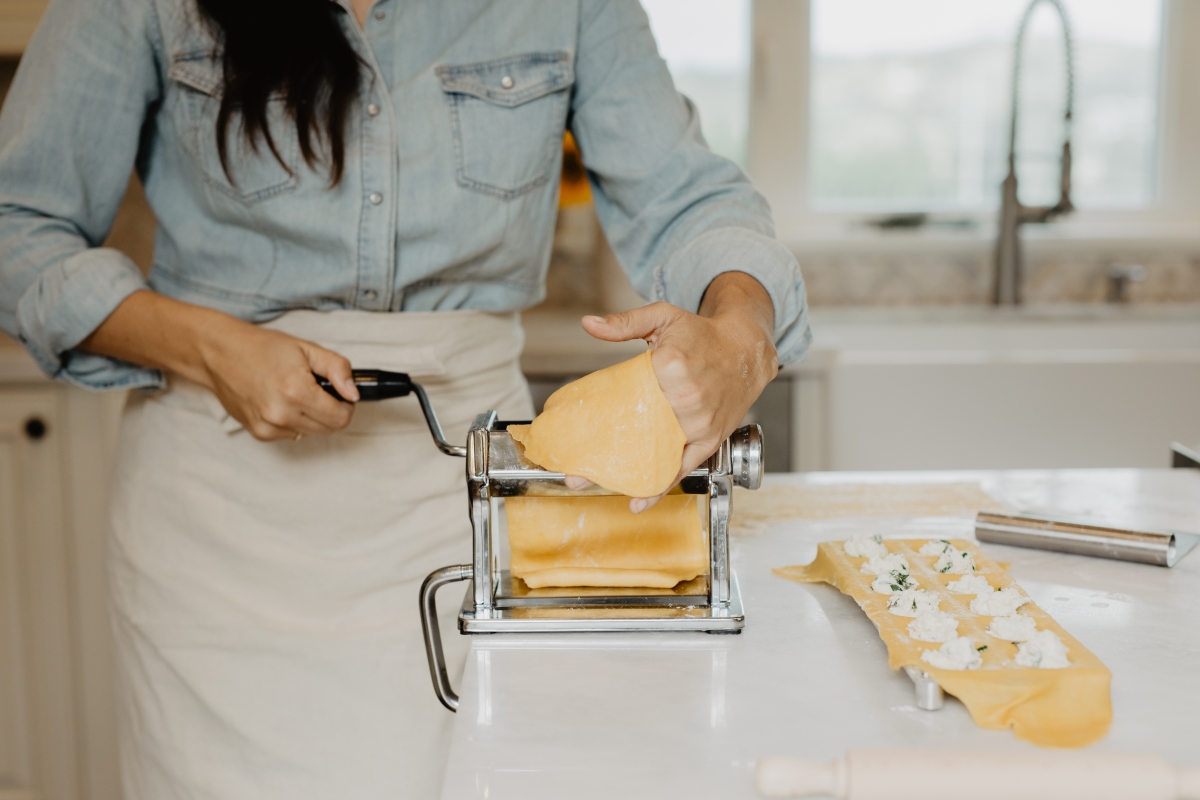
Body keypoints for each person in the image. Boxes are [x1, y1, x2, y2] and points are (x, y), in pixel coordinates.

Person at [0, 0, 811, 796]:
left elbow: (688, 195)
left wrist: (739, 335)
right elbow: (17, 226)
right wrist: (211, 348)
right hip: (222, 524)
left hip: (469, 509)